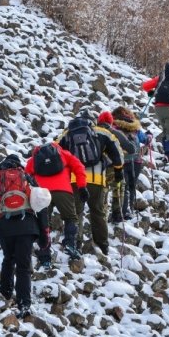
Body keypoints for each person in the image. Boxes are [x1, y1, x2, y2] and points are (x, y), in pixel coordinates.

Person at [0, 154, 49, 318]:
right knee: (24, 266)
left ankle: (5, 294)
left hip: (5, 228)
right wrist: (45, 231)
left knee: (9, 259)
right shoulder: (27, 179)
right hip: (27, 226)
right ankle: (24, 304)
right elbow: (42, 205)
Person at [58, 109, 123, 255]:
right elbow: (117, 151)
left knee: (76, 213)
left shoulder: (68, 134)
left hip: (76, 181)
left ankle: (76, 244)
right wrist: (118, 171)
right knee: (98, 212)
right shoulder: (101, 132)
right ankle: (102, 246)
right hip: (97, 180)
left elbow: (56, 151)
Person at [26, 142, 88, 265]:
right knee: (71, 218)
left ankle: (45, 256)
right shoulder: (64, 154)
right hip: (63, 191)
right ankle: (70, 244)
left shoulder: (34, 159)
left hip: (42, 193)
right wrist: (82, 187)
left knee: (43, 223)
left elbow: (26, 175)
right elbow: (79, 167)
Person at [109, 107, 152, 221]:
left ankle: (122, 211)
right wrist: (149, 136)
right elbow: (146, 140)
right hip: (136, 160)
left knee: (123, 186)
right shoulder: (134, 127)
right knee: (132, 186)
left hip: (120, 160)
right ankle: (130, 210)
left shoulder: (113, 126)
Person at [97, 111, 136, 223]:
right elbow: (131, 149)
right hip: (115, 167)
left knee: (103, 190)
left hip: (98, 168)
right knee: (118, 188)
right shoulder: (115, 133)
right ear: (110, 122)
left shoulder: (93, 131)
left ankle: (102, 215)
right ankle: (117, 213)